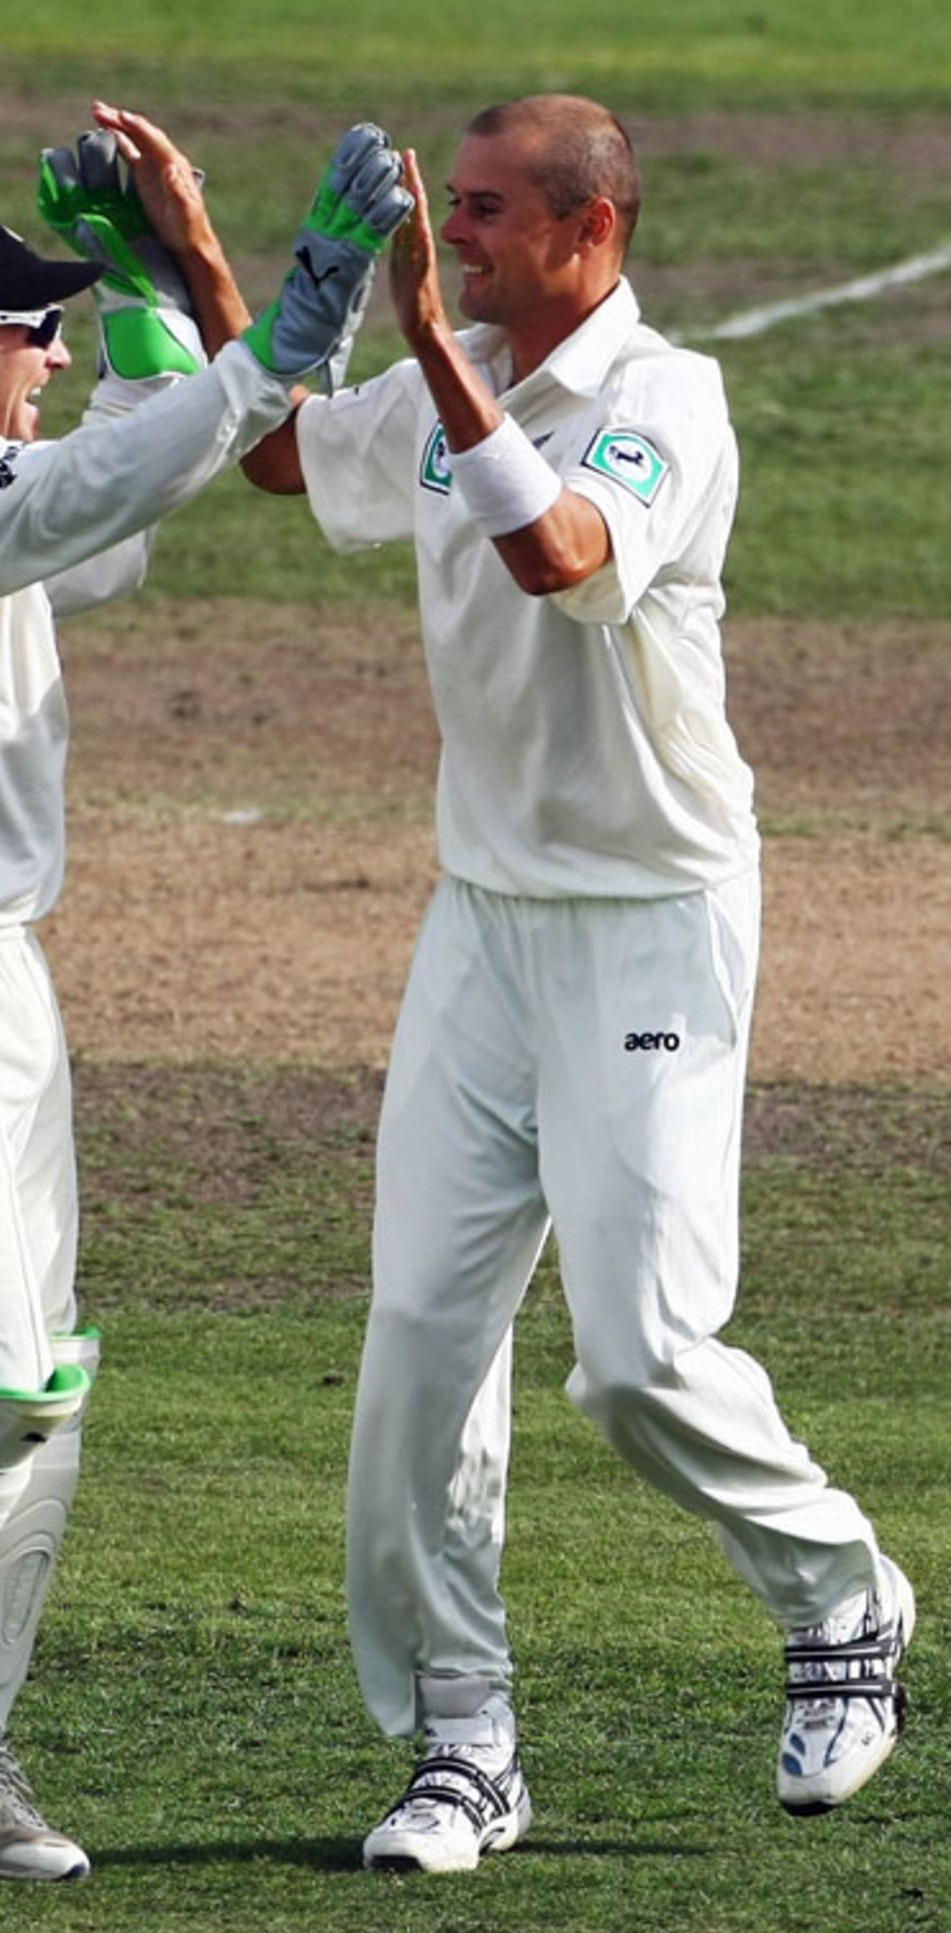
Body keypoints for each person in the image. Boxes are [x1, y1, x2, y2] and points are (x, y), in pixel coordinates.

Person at [242, 93, 914, 1874]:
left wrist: (419, 358)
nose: (450, 236)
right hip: (483, 920)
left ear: (590, 231)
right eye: (444, 210)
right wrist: (214, 269)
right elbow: (278, 462)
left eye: (482, 212)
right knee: (417, 1362)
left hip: (650, 917)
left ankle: (842, 1590)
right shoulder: (452, 358)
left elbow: (563, 564)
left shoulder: (663, 401)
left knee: (637, 1361)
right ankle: (464, 1746)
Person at [0, 104, 410, 1881]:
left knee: (45, 1382)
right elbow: (100, 487)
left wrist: (133, 298)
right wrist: (286, 336)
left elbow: (104, 525)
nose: (48, 355)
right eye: (32, 326)